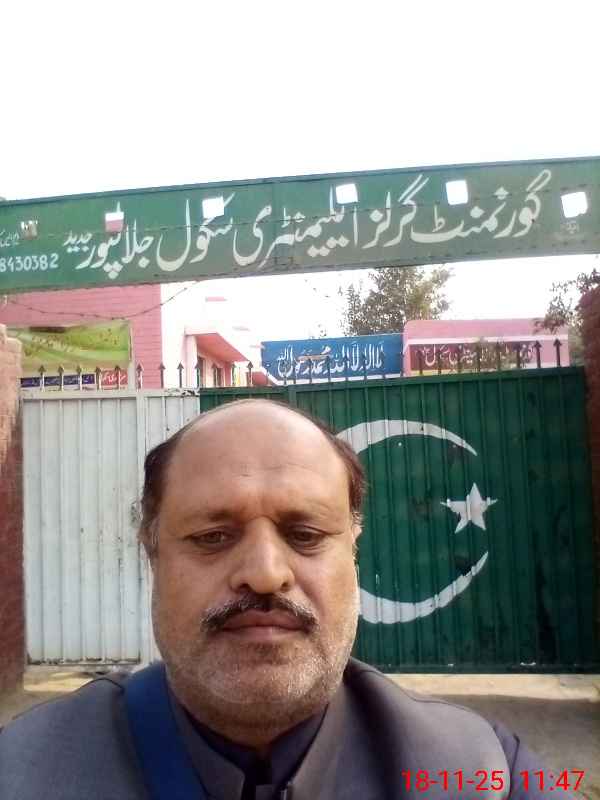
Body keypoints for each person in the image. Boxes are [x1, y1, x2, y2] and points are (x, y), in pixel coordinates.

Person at [0, 399, 573, 799]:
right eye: (212, 536)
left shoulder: (483, 772)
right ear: (152, 554)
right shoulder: (23, 772)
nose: (265, 574)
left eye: (305, 534)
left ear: (353, 553)